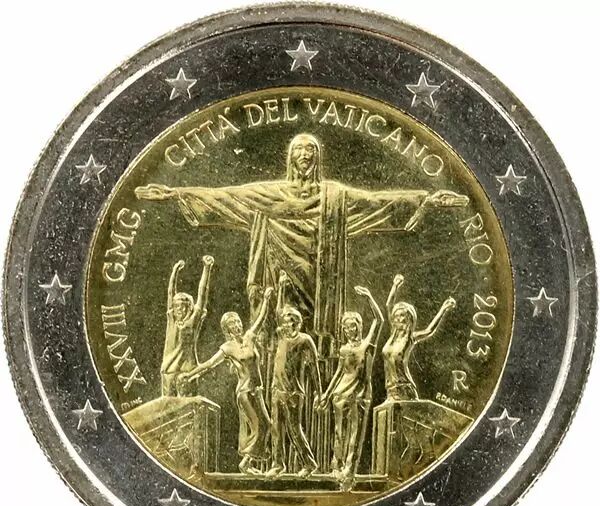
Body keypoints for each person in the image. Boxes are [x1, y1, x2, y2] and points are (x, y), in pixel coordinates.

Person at [136, 133, 469, 376]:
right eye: (299, 150)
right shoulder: (271, 194)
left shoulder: (334, 196)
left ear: (318, 158)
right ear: (291, 158)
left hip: (319, 281)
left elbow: (375, 202)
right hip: (277, 274)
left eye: (311, 151)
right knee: (277, 339)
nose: (305, 156)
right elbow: (229, 197)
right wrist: (176, 193)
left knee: (315, 343)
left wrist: (425, 200)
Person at [182, 287, 274, 475]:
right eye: (232, 324)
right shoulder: (227, 347)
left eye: (238, 322)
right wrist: (191, 375)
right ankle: (245, 463)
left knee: (267, 425)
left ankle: (246, 463)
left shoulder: (250, 337)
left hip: (257, 390)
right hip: (245, 392)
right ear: (227, 329)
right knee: (259, 426)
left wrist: (266, 299)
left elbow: (260, 319)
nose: (237, 326)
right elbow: (209, 364)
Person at [319, 285, 384, 490]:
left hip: (361, 395)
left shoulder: (367, 345)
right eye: (346, 327)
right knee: (339, 432)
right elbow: (339, 373)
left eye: (352, 326)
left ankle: (349, 471)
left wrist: (370, 296)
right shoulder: (343, 349)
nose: (349, 330)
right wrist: (326, 394)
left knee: (355, 435)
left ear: (359, 326)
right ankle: (336, 466)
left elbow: (379, 320)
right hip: (340, 394)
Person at [267, 271, 322, 478]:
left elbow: (314, 367)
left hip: (293, 392)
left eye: (289, 320)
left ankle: (309, 463)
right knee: (276, 428)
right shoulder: (281, 335)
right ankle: (277, 464)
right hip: (276, 389)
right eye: (284, 320)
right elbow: (278, 311)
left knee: (294, 428)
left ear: (296, 323)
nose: (284, 322)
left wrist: (319, 393)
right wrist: (282, 288)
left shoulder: (305, 340)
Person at [382, 274, 456, 401]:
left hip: (404, 387)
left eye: (402, 315)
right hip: (390, 389)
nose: (398, 318)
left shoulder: (410, 338)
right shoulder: (392, 335)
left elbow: (429, 330)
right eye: (396, 315)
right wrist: (395, 286)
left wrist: (443, 309)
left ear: (409, 318)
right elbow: (389, 305)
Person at [161, 256, 213, 397]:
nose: (179, 309)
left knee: (190, 406)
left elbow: (202, 294)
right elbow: (171, 292)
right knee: (167, 406)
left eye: (183, 306)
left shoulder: (193, 321)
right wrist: (174, 271)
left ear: (190, 308)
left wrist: (207, 268)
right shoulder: (171, 319)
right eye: (176, 306)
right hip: (169, 369)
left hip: (188, 370)